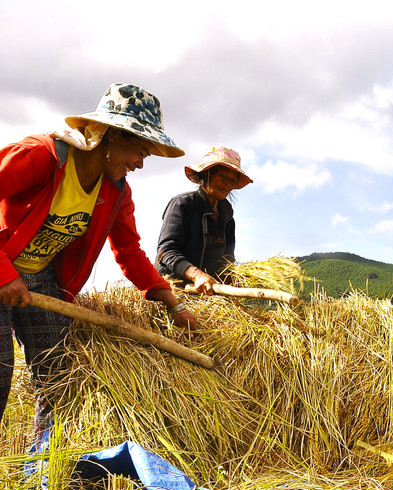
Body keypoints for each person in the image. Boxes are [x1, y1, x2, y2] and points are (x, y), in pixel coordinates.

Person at [0, 82, 199, 440]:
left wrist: (171, 300)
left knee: (57, 373)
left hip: (40, 278)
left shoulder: (116, 191)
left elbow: (129, 251)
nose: (139, 163)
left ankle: (42, 469)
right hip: (2, 268)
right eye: (139, 150)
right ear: (110, 136)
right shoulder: (40, 157)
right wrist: (3, 273)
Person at [155, 146, 252, 294]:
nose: (227, 183)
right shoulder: (183, 204)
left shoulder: (226, 217)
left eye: (232, 180)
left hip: (206, 294)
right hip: (174, 288)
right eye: (223, 176)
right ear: (206, 174)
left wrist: (233, 279)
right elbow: (166, 251)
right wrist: (196, 275)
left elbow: (226, 261)